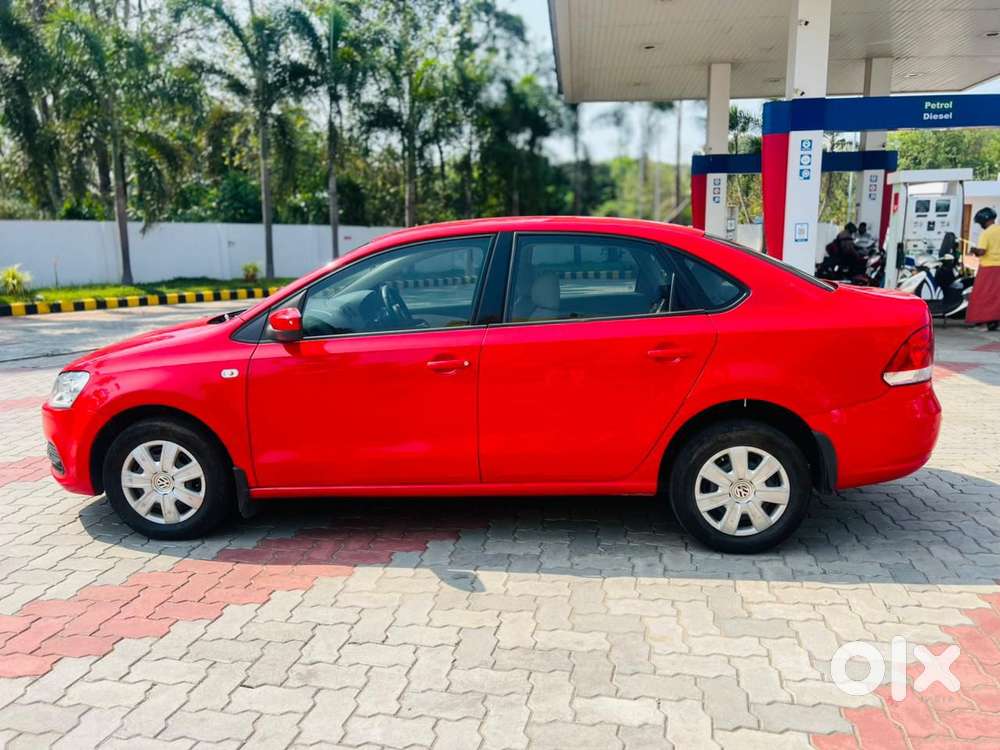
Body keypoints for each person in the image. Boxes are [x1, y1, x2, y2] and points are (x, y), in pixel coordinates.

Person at [967, 207, 1000, 331]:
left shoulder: (986, 233)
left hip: (988, 268)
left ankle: (983, 324)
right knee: (997, 297)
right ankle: (995, 322)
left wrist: (973, 250)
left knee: (983, 296)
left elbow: (981, 251)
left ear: (983, 221)